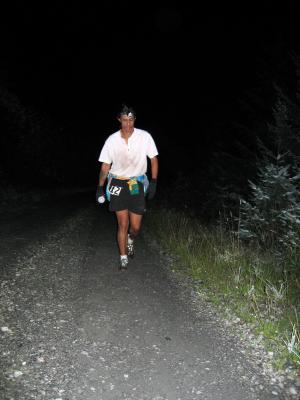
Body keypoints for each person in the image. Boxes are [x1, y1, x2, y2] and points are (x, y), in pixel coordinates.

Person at [96, 104, 159, 271]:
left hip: (135, 183)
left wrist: (153, 181)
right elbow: (105, 166)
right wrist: (100, 187)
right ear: (119, 120)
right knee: (122, 223)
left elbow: (153, 159)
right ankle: (123, 257)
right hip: (117, 182)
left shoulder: (145, 137)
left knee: (135, 227)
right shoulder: (111, 140)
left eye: (131, 120)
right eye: (125, 120)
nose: (128, 124)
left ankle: (131, 239)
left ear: (134, 119)